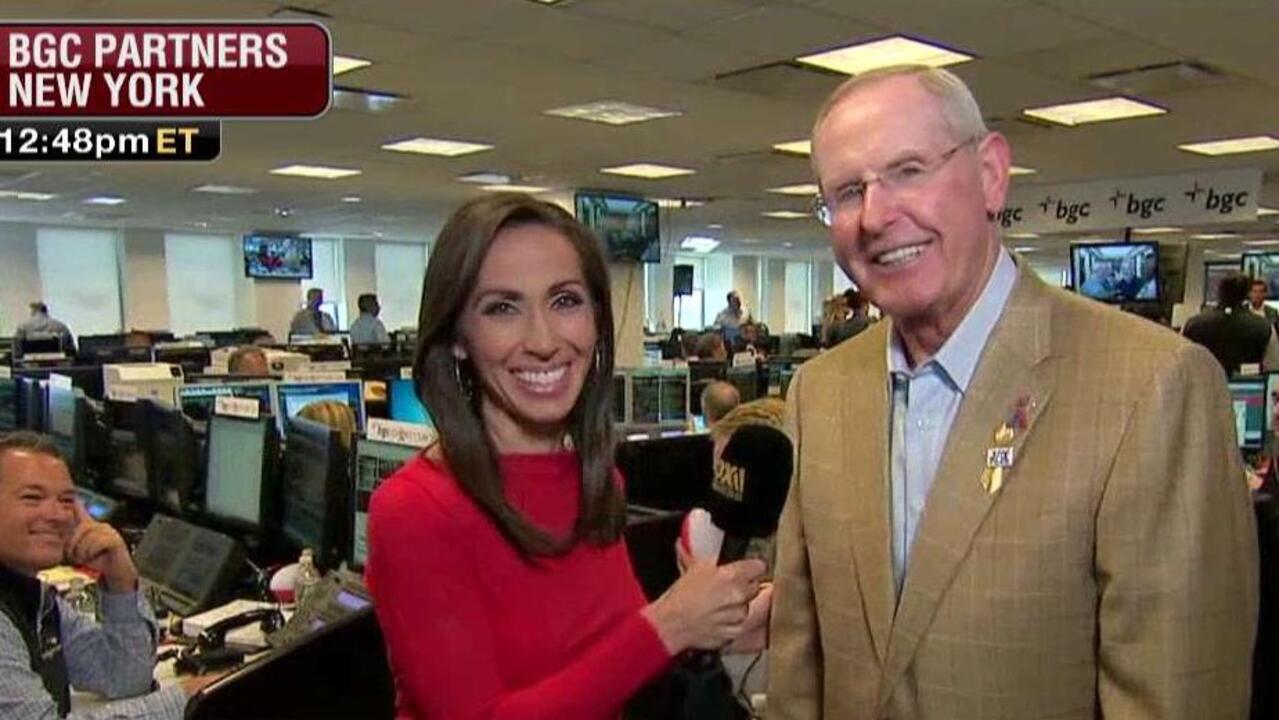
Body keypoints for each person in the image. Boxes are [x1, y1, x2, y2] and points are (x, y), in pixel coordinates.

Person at [769, 64, 1257, 720]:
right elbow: (798, 677)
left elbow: (1178, 695)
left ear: (990, 175)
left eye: (908, 170)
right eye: (847, 192)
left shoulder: (1152, 385)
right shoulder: (818, 393)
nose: (876, 216)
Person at [364, 193, 766, 719]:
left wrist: (709, 630)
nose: (543, 340)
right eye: (502, 308)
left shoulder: (594, 479)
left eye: (565, 301)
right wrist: (668, 625)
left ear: (596, 318)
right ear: (457, 336)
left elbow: (605, 667)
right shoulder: (416, 510)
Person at [0, 432, 219, 719]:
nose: (57, 515)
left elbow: (124, 677)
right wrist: (189, 698)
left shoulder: (35, 598)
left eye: (66, 500)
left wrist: (120, 580)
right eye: (32, 497)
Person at [1183, 273, 1279, 376]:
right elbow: (1273, 367)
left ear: (1219, 292)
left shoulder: (1192, 324)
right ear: (1246, 294)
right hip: (1248, 383)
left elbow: (1183, 362)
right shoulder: (1265, 327)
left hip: (1204, 382)